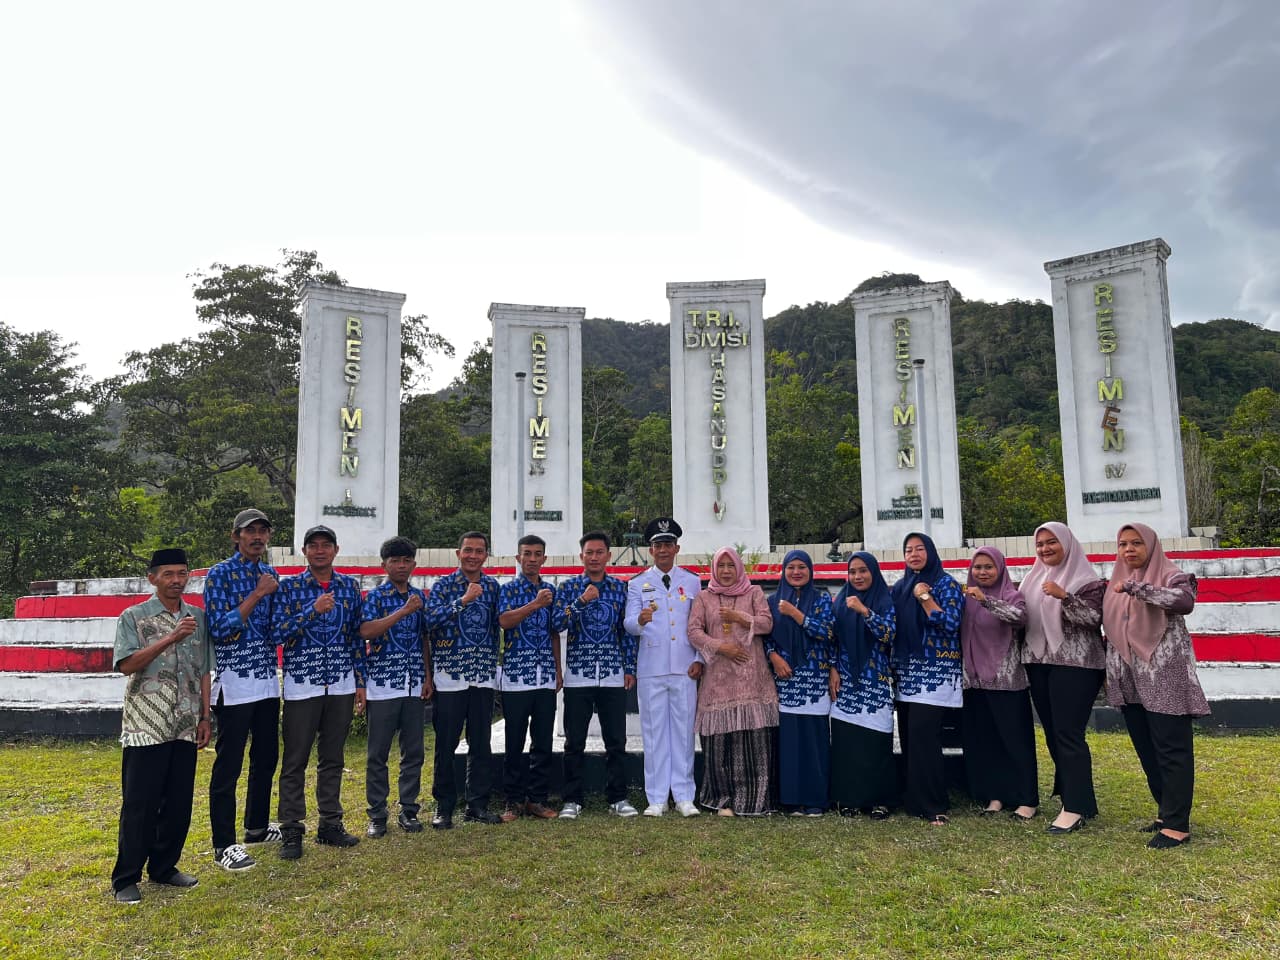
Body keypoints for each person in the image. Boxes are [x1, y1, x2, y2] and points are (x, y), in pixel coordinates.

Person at [110, 548, 212, 904]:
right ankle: (126, 878)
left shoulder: (197, 616)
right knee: (140, 802)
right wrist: (170, 638)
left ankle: (164, 867)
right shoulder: (133, 617)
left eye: (182, 573)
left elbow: (203, 669)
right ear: (152, 578)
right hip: (146, 724)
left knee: (179, 801)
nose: (176, 581)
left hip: (185, 722)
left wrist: (204, 715)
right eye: (168, 574)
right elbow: (126, 665)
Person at [1102, 522, 1210, 849]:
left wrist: (1139, 589)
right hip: (1131, 679)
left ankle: (1178, 825)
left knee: (1171, 749)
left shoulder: (1172, 574)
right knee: (1147, 748)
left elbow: (1183, 601)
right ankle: (1166, 812)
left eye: (1137, 543)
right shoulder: (1116, 582)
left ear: (1151, 545)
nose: (1129, 550)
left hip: (1164, 676)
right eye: (1123, 544)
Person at [272, 524, 366, 859]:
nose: (320, 550)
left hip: (340, 682)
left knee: (333, 758)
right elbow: (277, 633)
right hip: (303, 685)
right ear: (305, 551)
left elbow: (356, 636)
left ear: (336, 550)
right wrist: (312, 610)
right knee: (295, 759)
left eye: (327, 545)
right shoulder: (291, 588)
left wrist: (360, 682)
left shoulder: (349, 587)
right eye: (314, 545)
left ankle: (330, 824)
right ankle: (292, 830)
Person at [203, 507, 281, 873]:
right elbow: (219, 628)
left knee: (266, 757)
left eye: (263, 532)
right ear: (235, 536)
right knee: (229, 765)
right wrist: (257, 594)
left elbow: (275, 628)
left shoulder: (270, 572)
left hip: (266, 680)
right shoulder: (219, 575)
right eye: (250, 532)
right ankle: (223, 845)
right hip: (233, 684)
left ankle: (257, 826)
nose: (257, 538)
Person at [1020, 521, 1107, 835]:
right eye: (1040, 544)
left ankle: (1075, 808)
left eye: (1051, 542)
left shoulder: (1088, 581)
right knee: (1054, 734)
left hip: (1077, 665)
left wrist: (1064, 596)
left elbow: (1093, 619)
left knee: (1069, 734)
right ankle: (1081, 798)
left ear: (1067, 544)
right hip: (1037, 662)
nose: (1045, 549)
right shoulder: (1031, 580)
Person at [686, 546, 776, 816]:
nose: (726, 571)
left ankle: (753, 801)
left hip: (751, 679)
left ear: (739, 568)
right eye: (721, 566)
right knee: (719, 744)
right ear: (714, 568)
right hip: (718, 679)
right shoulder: (704, 597)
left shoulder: (754, 592)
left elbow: (767, 623)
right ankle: (722, 800)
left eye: (731, 566)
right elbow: (693, 631)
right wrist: (719, 647)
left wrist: (740, 617)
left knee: (752, 741)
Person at [555, 531, 638, 818]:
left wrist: (629, 668)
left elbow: (625, 632)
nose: (594, 557)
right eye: (589, 552)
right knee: (574, 740)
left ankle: (618, 797)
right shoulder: (568, 587)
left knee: (616, 740)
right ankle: (571, 799)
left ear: (608, 555)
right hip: (579, 674)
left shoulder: (619, 588)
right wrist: (580, 601)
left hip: (613, 674)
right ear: (581, 556)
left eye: (599, 552)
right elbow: (557, 622)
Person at [624, 518, 703, 817]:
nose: (663, 550)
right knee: (654, 733)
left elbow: (700, 625)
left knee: (683, 734)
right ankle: (656, 798)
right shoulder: (637, 584)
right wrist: (640, 621)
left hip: (685, 667)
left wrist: (699, 659)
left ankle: (684, 796)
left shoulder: (692, 582)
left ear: (677, 548)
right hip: (652, 668)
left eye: (668, 544)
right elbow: (629, 625)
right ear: (650, 550)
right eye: (658, 545)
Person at [424, 530, 503, 828]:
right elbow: (429, 622)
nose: (472, 555)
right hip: (450, 678)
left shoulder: (494, 587)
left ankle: (477, 804)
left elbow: (500, 624)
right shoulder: (444, 586)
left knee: (481, 743)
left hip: (482, 677)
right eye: (467, 550)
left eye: (479, 551)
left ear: (485, 555)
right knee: (446, 743)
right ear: (458, 553)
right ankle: (443, 806)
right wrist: (463, 600)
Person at [359, 536, 431, 838]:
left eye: (406, 561)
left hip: (414, 684)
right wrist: (402, 611)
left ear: (414, 564)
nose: (401, 566)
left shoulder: (420, 597)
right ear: (384, 565)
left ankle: (409, 809)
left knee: (413, 751)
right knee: (378, 753)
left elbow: (424, 638)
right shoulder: (375, 597)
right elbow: (366, 631)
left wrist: (428, 676)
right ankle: (377, 814)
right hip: (382, 686)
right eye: (395, 561)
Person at [890, 532, 963, 825]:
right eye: (908, 550)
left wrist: (925, 598)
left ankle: (934, 803)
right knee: (909, 738)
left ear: (931, 552)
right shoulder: (899, 587)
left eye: (920, 549)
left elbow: (951, 623)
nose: (914, 554)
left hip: (935, 675)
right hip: (906, 674)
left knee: (926, 737)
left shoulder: (946, 584)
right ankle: (914, 799)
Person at [960, 547, 1037, 820]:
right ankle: (996, 797)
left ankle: (1027, 799)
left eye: (988, 567)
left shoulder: (1011, 596)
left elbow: (1019, 618)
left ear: (1000, 568)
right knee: (987, 742)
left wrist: (986, 601)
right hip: (974, 680)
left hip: (1005, 681)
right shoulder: (965, 598)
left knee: (1015, 742)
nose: (982, 572)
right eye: (978, 567)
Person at [496, 534, 561, 822]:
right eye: (527, 554)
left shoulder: (551, 590)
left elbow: (554, 633)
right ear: (518, 558)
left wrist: (558, 670)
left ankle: (537, 799)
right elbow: (504, 622)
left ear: (544, 559)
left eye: (538, 554)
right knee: (514, 741)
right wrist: (534, 605)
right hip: (516, 677)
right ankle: (512, 800)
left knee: (543, 742)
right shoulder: (508, 590)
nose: (532, 559)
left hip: (545, 676)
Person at [766, 549, 835, 816]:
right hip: (785, 679)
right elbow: (765, 636)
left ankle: (816, 799)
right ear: (783, 571)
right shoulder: (773, 601)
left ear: (810, 571)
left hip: (814, 681)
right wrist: (773, 657)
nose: (796, 572)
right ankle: (792, 800)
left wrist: (797, 615)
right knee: (790, 742)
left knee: (815, 741)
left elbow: (828, 632)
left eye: (802, 567)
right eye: (791, 567)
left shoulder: (822, 599)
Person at [828, 552, 898, 818]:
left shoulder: (884, 599)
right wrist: (833, 667)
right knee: (848, 742)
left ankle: (880, 800)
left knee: (876, 741)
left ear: (873, 572)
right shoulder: (839, 601)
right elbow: (832, 639)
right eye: (853, 572)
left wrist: (865, 611)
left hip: (875, 682)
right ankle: (850, 798)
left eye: (863, 571)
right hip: (846, 681)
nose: (857, 577)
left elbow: (890, 634)